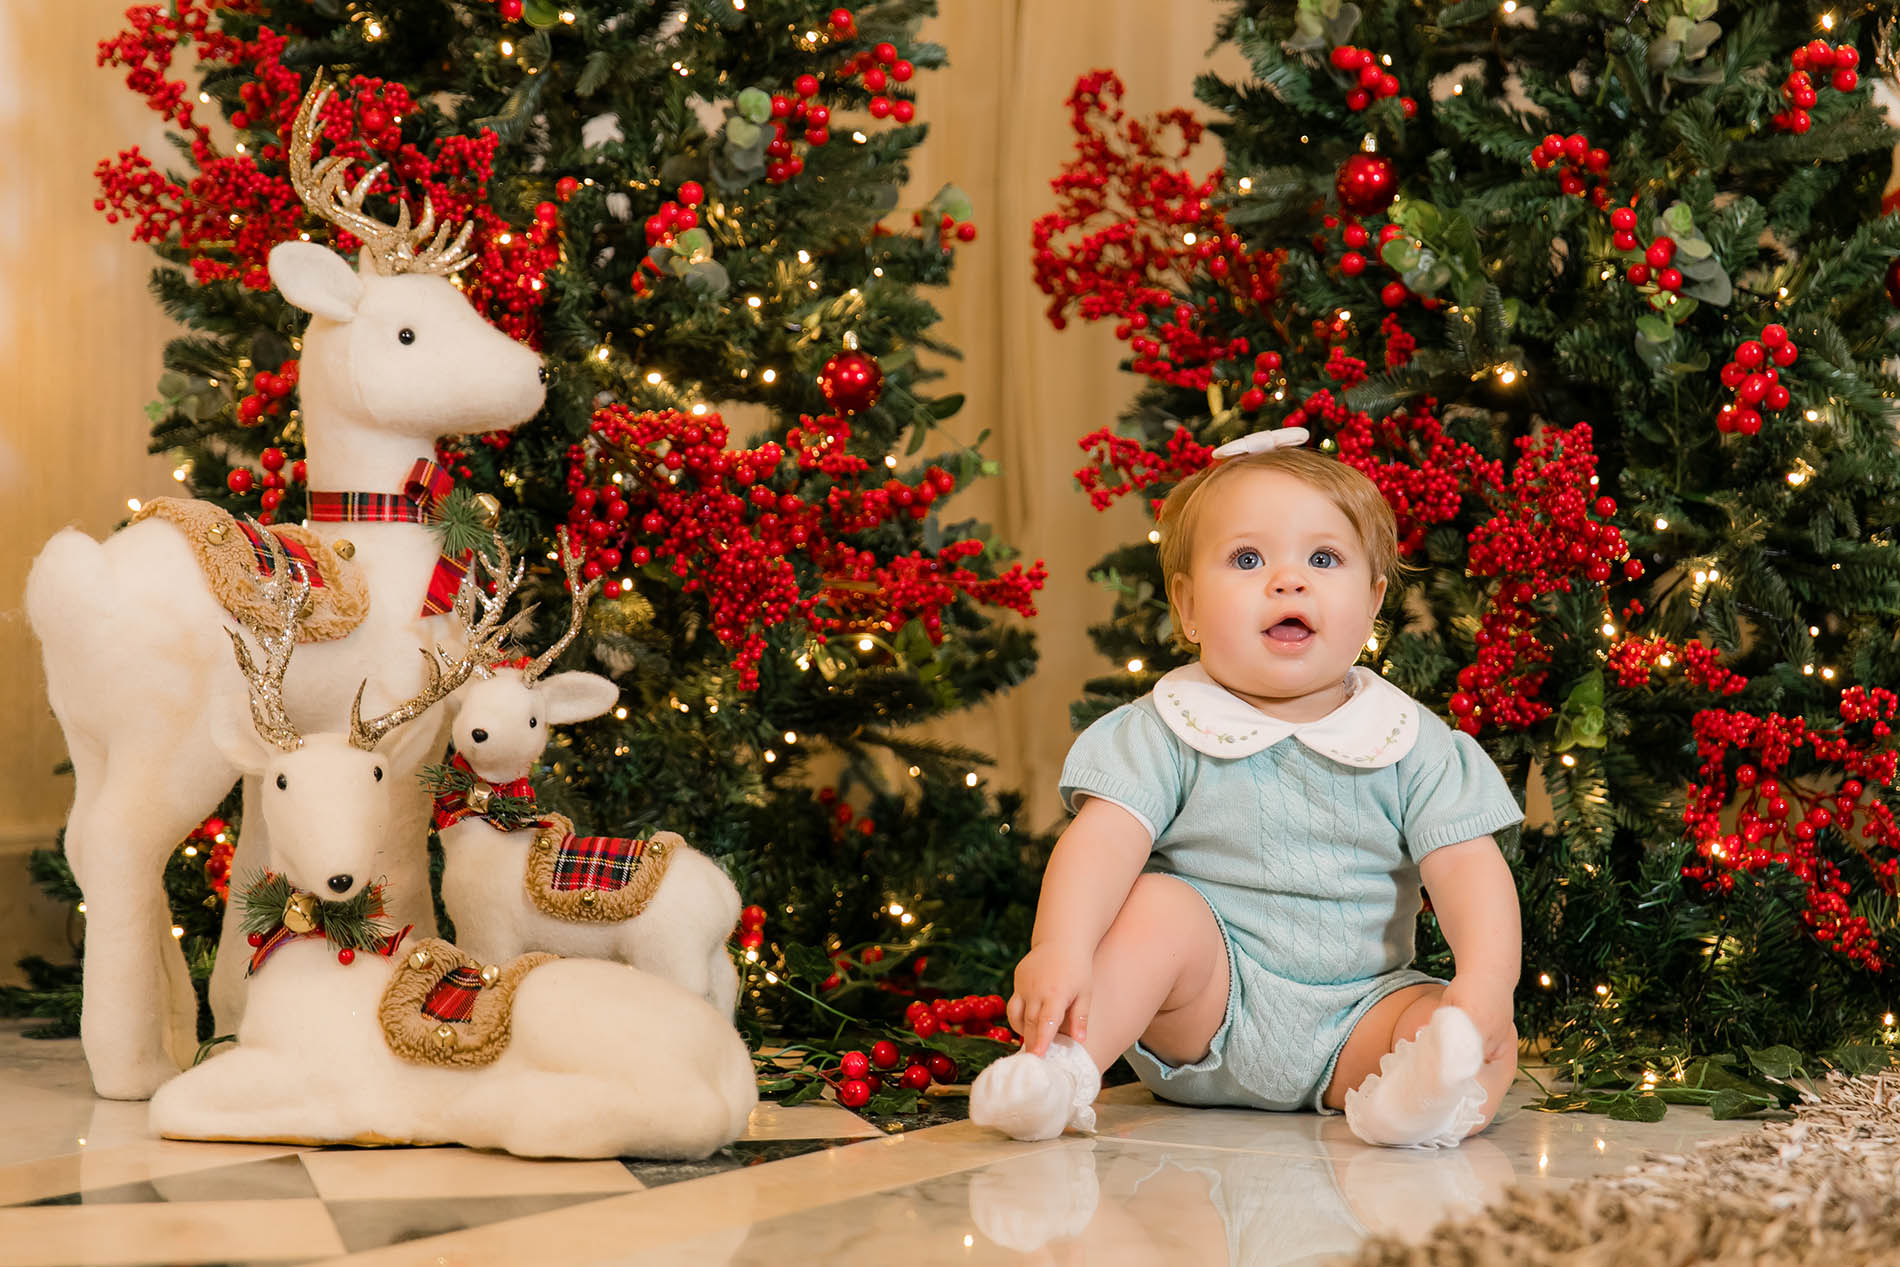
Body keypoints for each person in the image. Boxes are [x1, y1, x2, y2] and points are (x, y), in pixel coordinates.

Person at [971, 426, 1525, 1148]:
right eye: (1247, 558)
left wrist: (1483, 983)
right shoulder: (1166, 728)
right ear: (1189, 605)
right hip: (1203, 1012)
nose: (1287, 580)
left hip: (1361, 1018)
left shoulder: (1407, 739)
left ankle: (1419, 1102)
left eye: (1323, 558)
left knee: (1481, 1032)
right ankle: (1063, 1072)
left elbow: (1468, 871)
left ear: (1372, 602)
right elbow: (1100, 842)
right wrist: (1062, 947)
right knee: (1159, 905)